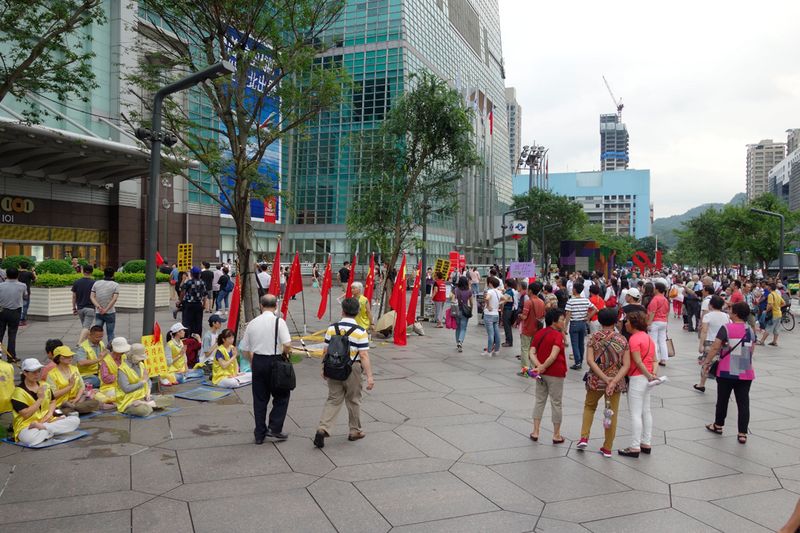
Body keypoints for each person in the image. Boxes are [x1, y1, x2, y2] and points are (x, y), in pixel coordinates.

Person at [314, 297, 375, 448]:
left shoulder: (331, 328)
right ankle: (355, 431)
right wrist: (369, 376)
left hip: (333, 366)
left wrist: (323, 368)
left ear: (342, 311)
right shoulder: (360, 332)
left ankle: (323, 428)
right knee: (353, 400)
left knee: (333, 399)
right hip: (352, 368)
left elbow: (326, 350)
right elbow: (364, 355)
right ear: (357, 312)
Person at [240, 294, 293, 444]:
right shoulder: (279, 322)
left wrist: (252, 361)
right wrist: (285, 354)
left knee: (259, 399)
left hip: (258, 361)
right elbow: (287, 344)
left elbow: (244, 349)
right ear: (276, 306)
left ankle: (259, 434)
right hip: (275, 361)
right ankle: (274, 427)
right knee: (282, 395)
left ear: (261, 306)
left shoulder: (252, 323)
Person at [578, 308, 630, 457]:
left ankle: (584, 437)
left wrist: (603, 377)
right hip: (615, 382)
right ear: (615, 321)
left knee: (589, 407)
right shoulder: (622, 339)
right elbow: (626, 364)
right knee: (611, 414)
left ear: (599, 321)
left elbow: (589, 360)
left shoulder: (594, 337)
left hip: (596, 380)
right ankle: (607, 447)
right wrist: (612, 381)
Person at [702, 302, 756, 444]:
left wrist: (707, 362)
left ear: (736, 313)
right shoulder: (750, 329)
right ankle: (742, 433)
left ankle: (718, 425)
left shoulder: (726, 328)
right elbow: (752, 350)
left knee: (722, 399)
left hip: (727, 370)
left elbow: (715, 347)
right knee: (743, 402)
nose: (729, 311)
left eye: (731, 310)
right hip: (745, 370)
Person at [11, 358, 81, 445]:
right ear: (25, 373)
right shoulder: (18, 392)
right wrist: (40, 399)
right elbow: (25, 414)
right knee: (31, 438)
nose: (37, 374)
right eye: (33, 372)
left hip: (47, 421)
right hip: (27, 426)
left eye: (38, 371)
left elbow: (52, 401)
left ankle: (45, 428)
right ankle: (49, 431)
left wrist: (50, 414)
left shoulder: (45, 385)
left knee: (75, 420)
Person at [618, 310, 658, 458]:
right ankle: (646, 442)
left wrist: (648, 375)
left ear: (633, 323)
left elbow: (637, 361)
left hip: (637, 378)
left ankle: (634, 446)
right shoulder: (648, 338)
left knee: (635, 413)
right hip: (648, 379)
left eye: (627, 321)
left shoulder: (634, 339)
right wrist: (652, 374)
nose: (625, 324)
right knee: (646, 411)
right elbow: (655, 360)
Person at [529, 308, 567, 443]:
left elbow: (531, 352)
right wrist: (543, 367)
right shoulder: (557, 336)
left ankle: (535, 431)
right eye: (562, 320)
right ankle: (556, 435)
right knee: (556, 402)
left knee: (539, 400)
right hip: (555, 373)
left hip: (541, 374)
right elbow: (553, 355)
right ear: (554, 321)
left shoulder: (540, 333)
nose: (563, 322)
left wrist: (538, 367)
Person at [116, 343, 173, 417]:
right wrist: (142, 382)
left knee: (170, 398)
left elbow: (148, 380)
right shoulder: (122, 369)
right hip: (129, 400)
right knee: (144, 411)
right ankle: (153, 405)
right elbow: (126, 389)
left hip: (143, 397)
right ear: (132, 356)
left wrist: (148, 392)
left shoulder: (141, 365)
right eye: (139, 358)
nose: (141, 360)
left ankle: (147, 404)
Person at [46, 346, 99, 415]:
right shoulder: (51, 374)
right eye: (67, 356)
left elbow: (82, 386)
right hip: (59, 404)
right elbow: (53, 395)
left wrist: (77, 398)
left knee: (95, 403)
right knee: (57, 412)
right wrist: (69, 386)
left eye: (71, 356)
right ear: (59, 358)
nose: (70, 358)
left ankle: (73, 408)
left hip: (76, 401)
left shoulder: (74, 369)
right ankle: (73, 409)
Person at [694, 295, 729, 392]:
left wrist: (701, 345)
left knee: (707, 362)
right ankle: (722, 385)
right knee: (720, 363)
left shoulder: (708, 316)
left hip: (710, 341)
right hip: (722, 342)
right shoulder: (726, 316)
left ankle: (701, 384)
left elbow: (704, 331)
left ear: (711, 305)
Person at [565, 282, 597, 370]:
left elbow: (568, 314)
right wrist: (587, 318)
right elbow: (595, 309)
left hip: (574, 323)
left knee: (575, 344)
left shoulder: (571, 301)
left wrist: (565, 327)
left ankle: (578, 362)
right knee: (581, 343)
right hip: (583, 324)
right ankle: (581, 361)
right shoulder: (586, 300)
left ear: (575, 290)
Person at [0, 267, 26, 362]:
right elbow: (25, 296)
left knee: (0, 334)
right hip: (15, 312)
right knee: (12, 334)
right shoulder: (22, 286)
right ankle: (11, 356)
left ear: (6, 275)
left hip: (1, 311)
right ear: (17, 275)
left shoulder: (1, 285)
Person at [519, 281, 545, 374]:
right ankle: (534, 368)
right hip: (537, 330)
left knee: (525, 349)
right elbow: (542, 316)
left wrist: (520, 315)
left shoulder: (528, 302)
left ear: (530, 291)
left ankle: (525, 371)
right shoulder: (542, 302)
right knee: (533, 350)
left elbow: (524, 317)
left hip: (527, 329)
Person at [93, 337, 128, 407]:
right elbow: (105, 378)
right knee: (121, 395)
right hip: (110, 387)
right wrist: (119, 377)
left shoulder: (124, 357)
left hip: (124, 385)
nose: (123, 353)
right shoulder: (106, 361)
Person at [91, 267, 119, 342]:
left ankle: (95, 347)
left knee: (97, 332)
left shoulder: (96, 283)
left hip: (98, 312)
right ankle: (110, 350)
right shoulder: (115, 285)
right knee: (110, 333)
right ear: (113, 275)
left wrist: (99, 307)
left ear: (104, 274)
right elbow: (114, 299)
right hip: (110, 312)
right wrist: (106, 309)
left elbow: (92, 297)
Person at [71, 265, 96, 345]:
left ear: (83, 271)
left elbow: (74, 296)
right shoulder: (94, 283)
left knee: (85, 327)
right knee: (86, 327)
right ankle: (79, 343)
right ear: (92, 272)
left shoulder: (77, 282)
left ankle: (88, 343)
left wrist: (74, 308)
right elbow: (96, 296)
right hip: (90, 308)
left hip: (80, 308)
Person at [647, 282, 670, 367]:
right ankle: (663, 359)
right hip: (663, 322)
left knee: (653, 341)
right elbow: (667, 312)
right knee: (662, 341)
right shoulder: (665, 299)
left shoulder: (655, 299)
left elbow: (652, 312)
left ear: (657, 289)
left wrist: (649, 323)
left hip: (655, 322)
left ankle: (654, 359)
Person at [180, 266, 207, 338]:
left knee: (187, 322)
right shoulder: (202, 283)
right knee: (198, 322)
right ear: (199, 274)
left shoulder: (189, 282)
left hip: (189, 305)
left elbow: (182, 292)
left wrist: (180, 301)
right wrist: (204, 305)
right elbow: (205, 295)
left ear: (191, 274)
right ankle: (197, 338)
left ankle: (187, 336)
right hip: (198, 305)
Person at [482, 277, 505, 356]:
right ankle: (497, 350)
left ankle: (489, 351)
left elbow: (487, 298)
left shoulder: (490, 291)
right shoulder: (499, 292)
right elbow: (505, 299)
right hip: (496, 314)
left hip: (489, 314)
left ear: (490, 283)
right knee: (496, 333)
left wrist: (488, 305)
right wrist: (500, 307)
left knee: (490, 334)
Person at [451, 276, 473, 353]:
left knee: (458, 327)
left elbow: (452, 300)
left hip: (457, 311)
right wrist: (471, 309)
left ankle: (457, 342)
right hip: (465, 311)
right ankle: (460, 341)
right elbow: (471, 302)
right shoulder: (469, 291)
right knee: (463, 328)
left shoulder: (456, 290)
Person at [759, 282, 784, 347]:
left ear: (770, 287)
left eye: (768, 286)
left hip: (773, 314)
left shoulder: (771, 295)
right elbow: (783, 303)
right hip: (779, 313)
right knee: (776, 329)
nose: (767, 287)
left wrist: (766, 311)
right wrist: (778, 307)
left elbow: (770, 305)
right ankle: (774, 342)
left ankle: (762, 341)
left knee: (768, 328)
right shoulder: (777, 294)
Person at [17, 261, 36, 326]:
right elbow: (35, 279)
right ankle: (22, 320)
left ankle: (17, 319)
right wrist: (33, 272)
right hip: (26, 292)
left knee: (17, 305)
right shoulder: (29, 273)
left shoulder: (17, 272)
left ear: (20, 266)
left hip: (17, 291)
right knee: (25, 306)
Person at [501, 279, 518, 347]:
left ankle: (508, 341)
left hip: (507, 310)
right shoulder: (513, 291)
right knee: (507, 326)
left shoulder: (509, 292)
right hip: (511, 310)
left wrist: (501, 309)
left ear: (507, 284)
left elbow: (502, 301)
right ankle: (508, 340)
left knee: (507, 326)